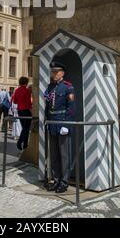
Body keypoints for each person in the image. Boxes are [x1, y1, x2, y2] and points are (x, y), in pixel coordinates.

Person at [44, 61, 76, 194]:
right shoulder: (50, 87)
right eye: (52, 72)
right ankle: (56, 180)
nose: (54, 74)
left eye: (56, 72)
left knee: (64, 155)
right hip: (52, 124)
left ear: (62, 73)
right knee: (54, 155)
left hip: (62, 123)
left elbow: (71, 108)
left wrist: (66, 125)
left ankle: (64, 182)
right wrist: (46, 120)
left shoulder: (68, 87)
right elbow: (47, 106)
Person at [12, 77, 32, 150]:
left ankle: (25, 144)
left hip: (20, 110)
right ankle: (20, 142)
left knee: (24, 128)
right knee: (26, 128)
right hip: (26, 110)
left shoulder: (17, 90)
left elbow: (15, 101)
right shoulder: (27, 91)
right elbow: (28, 103)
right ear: (26, 83)